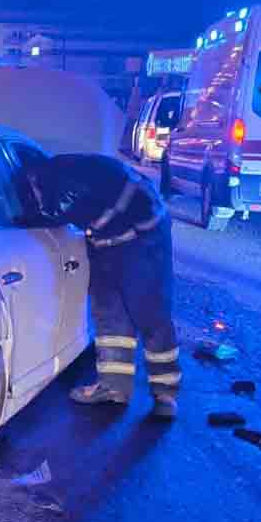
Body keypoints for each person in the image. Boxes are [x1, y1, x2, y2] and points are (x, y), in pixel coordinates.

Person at [27, 153, 182, 420]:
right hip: (108, 241)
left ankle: (165, 393)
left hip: (145, 240)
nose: (36, 200)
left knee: (150, 313)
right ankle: (114, 388)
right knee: (109, 315)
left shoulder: (73, 181)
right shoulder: (63, 175)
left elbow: (63, 212)